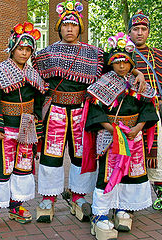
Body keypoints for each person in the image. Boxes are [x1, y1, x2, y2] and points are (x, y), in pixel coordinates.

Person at [32, 0, 146, 223]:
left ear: (80, 28)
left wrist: (136, 71)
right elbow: (33, 78)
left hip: (81, 113)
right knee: (50, 156)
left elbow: (117, 59)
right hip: (54, 111)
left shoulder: (95, 54)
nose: (69, 29)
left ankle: (78, 196)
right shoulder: (45, 54)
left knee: (80, 155)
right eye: (65, 25)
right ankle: (48, 199)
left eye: (74, 25)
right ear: (59, 28)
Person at [86, 33, 158, 240]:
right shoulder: (102, 83)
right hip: (110, 136)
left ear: (131, 64)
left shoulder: (138, 84)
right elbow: (95, 111)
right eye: (116, 63)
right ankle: (99, 214)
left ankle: (121, 209)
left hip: (133, 136)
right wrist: (112, 129)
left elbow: (147, 107)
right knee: (107, 174)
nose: (121, 66)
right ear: (111, 64)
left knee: (128, 173)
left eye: (125, 62)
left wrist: (138, 128)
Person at [0, 22, 48, 228]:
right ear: (12, 48)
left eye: (28, 49)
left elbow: (38, 101)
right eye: (20, 48)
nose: (24, 53)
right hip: (5, 128)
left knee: (23, 167)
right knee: (2, 168)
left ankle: (16, 205)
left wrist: (36, 121)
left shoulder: (34, 75)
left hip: (26, 128)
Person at [128, 10, 162, 210]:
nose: (140, 32)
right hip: (129, 113)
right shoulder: (122, 53)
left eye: (143, 29)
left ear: (148, 32)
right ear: (129, 32)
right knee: (131, 154)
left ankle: (159, 193)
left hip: (153, 112)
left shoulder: (157, 55)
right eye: (135, 29)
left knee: (157, 154)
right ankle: (129, 197)